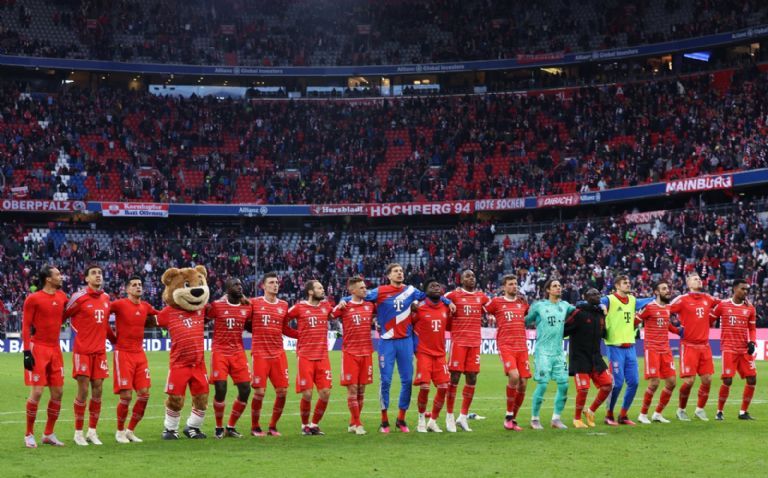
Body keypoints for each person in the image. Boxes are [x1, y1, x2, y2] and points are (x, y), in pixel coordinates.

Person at [338, 263, 454, 433]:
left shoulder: (411, 290)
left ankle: (401, 418)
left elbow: (431, 294)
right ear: (389, 276)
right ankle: (384, 420)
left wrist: (447, 301)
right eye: (395, 271)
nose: (399, 273)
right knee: (385, 381)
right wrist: (344, 300)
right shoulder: (380, 291)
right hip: (387, 342)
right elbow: (360, 295)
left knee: (407, 380)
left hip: (405, 341)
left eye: (401, 271)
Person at [156, 266, 211, 440]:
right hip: (179, 365)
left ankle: (193, 427)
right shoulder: (169, 312)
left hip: (199, 364)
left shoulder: (202, 310)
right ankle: (170, 429)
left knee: (202, 398)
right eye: (187, 285)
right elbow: (147, 319)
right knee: (175, 399)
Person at [108, 275, 160, 443]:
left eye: (140, 284)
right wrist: (111, 337)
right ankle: (119, 431)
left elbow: (161, 316)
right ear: (127, 289)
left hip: (140, 354)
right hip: (123, 353)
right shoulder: (119, 304)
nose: (138, 287)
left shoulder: (145, 306)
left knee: (144, 394)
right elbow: (101, 313)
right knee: (126, 396)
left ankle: (130, 431)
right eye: (134, 285)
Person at [22, 265, 68, 448]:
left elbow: (71, 312)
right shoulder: (33, 299)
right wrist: (26, 352)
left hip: (55, 349)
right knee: (38, 392)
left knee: (58, 392)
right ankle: (28, 434)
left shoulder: (62, 296)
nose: (61, 276)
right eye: (58, 274)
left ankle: (48, 434)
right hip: (38, 348)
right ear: (48, 279)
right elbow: (26, 326)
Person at [65, 265, 111, 446]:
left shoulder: (106, 298)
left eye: (100, 273)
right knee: (83, 391)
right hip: (82, 351)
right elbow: (63, 314)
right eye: (94, 273)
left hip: (100, 352)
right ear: (86, 278)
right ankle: (78, 433)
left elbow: (105, 324)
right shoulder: (79, 297)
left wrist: (115, 339)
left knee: (98, 390)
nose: (98, 275)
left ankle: (92, 431)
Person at [600, 275, 653, 425]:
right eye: (625, 283)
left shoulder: (633, 300)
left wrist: (656, 298)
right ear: (617, 286)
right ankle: (609, 415)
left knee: (634, 382)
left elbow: (648, 301)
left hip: (630, 348)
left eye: (629, 282)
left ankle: (623, 415)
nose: (628, 284)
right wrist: (602, 307)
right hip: (614, 347)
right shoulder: (609, 299)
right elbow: (599, 302)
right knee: (617, 383)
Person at [669, 272, 721, 421]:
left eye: (699, 278)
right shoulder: (682, 299)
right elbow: (664, 310)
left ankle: (700, 409)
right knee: (689, 381)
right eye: (695, 279)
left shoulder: (708, 298)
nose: (698, 280)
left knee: (707, 379)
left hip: (705, 346)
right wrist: (675, 329)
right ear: (688, 284)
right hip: (689, 345)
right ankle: (681, 409)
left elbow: (723, 304)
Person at [249, 272, 296, 437]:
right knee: (259, 392)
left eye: (276, 282)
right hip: (260, 353)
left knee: (282, 391)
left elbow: (285, 329)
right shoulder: (254, 303)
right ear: (263, 286)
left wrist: (302, 334)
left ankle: (273, 426)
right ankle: (255, 427)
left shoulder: (283, 305)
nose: (275, 285)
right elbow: (244, 321)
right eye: (271, 282)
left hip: (278, 353)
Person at [524, 279, 575, 430]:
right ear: (548, 290)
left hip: (559, 352)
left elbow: (580, 312)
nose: (558, 288)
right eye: (555, 286)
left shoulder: (565, 306)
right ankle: (534, 419)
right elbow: (525, 321)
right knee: (543, 384)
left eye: (559, 285)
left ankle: (556, 419)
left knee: (564, 385)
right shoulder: (539, 306)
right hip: (543, 352)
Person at [445, 270, 490, 432]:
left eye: (473, 276)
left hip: (475, 343)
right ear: (461, 280)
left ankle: (463, 417)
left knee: (472, 377)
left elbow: (493, 306)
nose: (471, 278)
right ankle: (449, 415)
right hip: (459, 342)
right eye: (467, 276)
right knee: (454, 377)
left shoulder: (481, 296)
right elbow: (438, 298)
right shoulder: (453, 295)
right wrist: (447, 303)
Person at [286, 280, 333, 435]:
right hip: (305, 356)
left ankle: (314, 424)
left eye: (322, 287)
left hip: (322, 356)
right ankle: (304, 425)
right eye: (319, 288)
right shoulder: (299, 307)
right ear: (311, 292)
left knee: (325, 393)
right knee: (307, 394)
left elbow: (336, 313)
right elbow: (282, 322)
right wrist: (297, 335)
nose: (323, 289)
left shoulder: (326, 306)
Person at [207, 277, 252, 439]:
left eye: (240, 284)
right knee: (220, 388)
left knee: (246, 389)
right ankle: (218, 427)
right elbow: (203, 318)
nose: (239, 287)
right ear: (227, 289)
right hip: (220, 351)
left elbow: (250, 326)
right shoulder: (217, 306)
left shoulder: (247, 307)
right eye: (235, 285)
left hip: (238, 352)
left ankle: (231, 427)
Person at [484, 274, 529, 431]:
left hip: (522, 346)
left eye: (515, 283)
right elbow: (482, 309)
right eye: (510, 284)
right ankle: (509, 416)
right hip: (506, 345)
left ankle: (513, 419)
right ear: (504, 287)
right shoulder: (496, 302)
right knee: (514, 376)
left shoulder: (522, 303)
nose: (514, 286)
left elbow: (528, 315)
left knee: (523, 384)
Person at [564, 288, 613, 429]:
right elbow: (564, 329)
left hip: (596, 357)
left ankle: (590, 411)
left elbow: (604, 333)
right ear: (585, 297)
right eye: (593, 294)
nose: (597, 296)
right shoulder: (578, 313)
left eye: (598, 294)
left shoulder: (600, 314)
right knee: (583, 389)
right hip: (580, 358)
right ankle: (577, 418)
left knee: (608, 384)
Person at [332, 276, 375, 435]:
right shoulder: (345, 306)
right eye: (361, 287)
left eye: (365, 287)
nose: (365, 290)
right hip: (350, 353)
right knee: (353, 389)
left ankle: (352, 422)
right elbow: (330, 315)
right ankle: (358, 424)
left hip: (366, 352)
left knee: (361, 389)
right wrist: (340, 303)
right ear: (352, 290)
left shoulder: (370, 305)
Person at [635, 281, 682, 424]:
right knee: (654, 383)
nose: (667, 291)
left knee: (672, 382)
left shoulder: (668, 308)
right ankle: (643, 414)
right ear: (656, 292)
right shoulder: (649, 307)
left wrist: (678, 331)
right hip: (652, 349)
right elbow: (635, 321)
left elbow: (666, 324)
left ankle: (657, 413)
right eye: (664, 289)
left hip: (665, 350)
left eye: (668, 288)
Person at [712, 279, 757, 420]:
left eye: (747, 289)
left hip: (744, 349)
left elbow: (752, 328)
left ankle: (743, 412)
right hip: (728, 348)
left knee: (752, 379)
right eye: (743, 289)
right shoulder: (723, 305)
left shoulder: (750, 308)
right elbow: (709, 319)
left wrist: (752, 342)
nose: (745, 292)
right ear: (734, 289)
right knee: (727, 380)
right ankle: (719, 411)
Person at [411, 278, 452, 433]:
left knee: (443, 388)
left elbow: (450, 326)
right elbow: (409, 326)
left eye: (438, 285)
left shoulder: (446, 308)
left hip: (440, 354)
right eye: (432, 286)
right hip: (424, 353)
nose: (436, 287)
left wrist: (450, 303)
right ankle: (421, 420)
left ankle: (433, 421)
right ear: (425, 291)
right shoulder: (419, 308)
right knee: (425, 387)